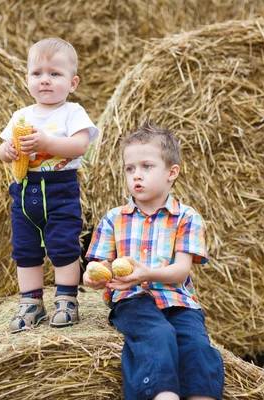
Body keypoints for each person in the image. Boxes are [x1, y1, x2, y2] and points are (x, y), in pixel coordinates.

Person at [84, 122, 224, 400]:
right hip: (133, 299)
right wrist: (92, 277)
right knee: (157, 335)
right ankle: (162, 395)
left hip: (179, 300)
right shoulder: (114, 218)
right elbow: (99, 269)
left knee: (197, 345)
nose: (136, 175)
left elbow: (181, 271)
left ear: (172, 173)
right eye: (130, 168)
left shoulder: (187, 217)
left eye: (146, 166)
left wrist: (147, 272)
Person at [0, 38, 98, 333]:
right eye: (37, 73)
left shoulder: (72, 112)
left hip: (60, 191)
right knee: (25, 249)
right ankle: (31, 302)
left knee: (63, 246)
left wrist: (46, 142)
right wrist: (8, 152)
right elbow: (5, 148)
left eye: (55, 74)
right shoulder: (21, 115)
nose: (45, 80)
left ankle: (67, 298)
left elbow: (79, 146)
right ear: (26, 78)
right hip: (25, 191)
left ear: (72, 82)